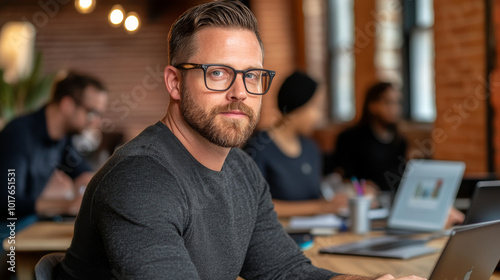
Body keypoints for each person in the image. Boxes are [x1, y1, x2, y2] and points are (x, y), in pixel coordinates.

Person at [56, 2, 425, 279]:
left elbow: (284, 271)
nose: (239, 93)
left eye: (252, 76)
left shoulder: (241, 169)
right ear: (173, 82)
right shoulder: (141, 180)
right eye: (217, 73)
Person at [331, 81, 464, 227]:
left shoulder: (399, 141)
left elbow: (398, 177)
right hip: (364, 206)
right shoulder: (350, 137)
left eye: (397, 103)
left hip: (395, 203)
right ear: (372, 106)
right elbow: (340, 175)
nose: (394, 108)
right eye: (388, 102)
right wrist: (362, 187)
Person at [0, 71, 108, 225]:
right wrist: (66, 206)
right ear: (67, 105)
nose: (96, 122)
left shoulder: (62, 137)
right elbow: (7, 202)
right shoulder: (18, 135)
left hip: (29, 222)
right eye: (92, 113)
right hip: (7, 228)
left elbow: (83, 173)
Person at [245, 71, 348, 217]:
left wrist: (339, 201)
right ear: (298, 106)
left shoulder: (311, 148)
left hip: (317, 231)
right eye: (316, 107)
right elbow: (255, 205)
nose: (318, 117)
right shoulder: (258, 148)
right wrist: (320, 207)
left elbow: (315, 196)